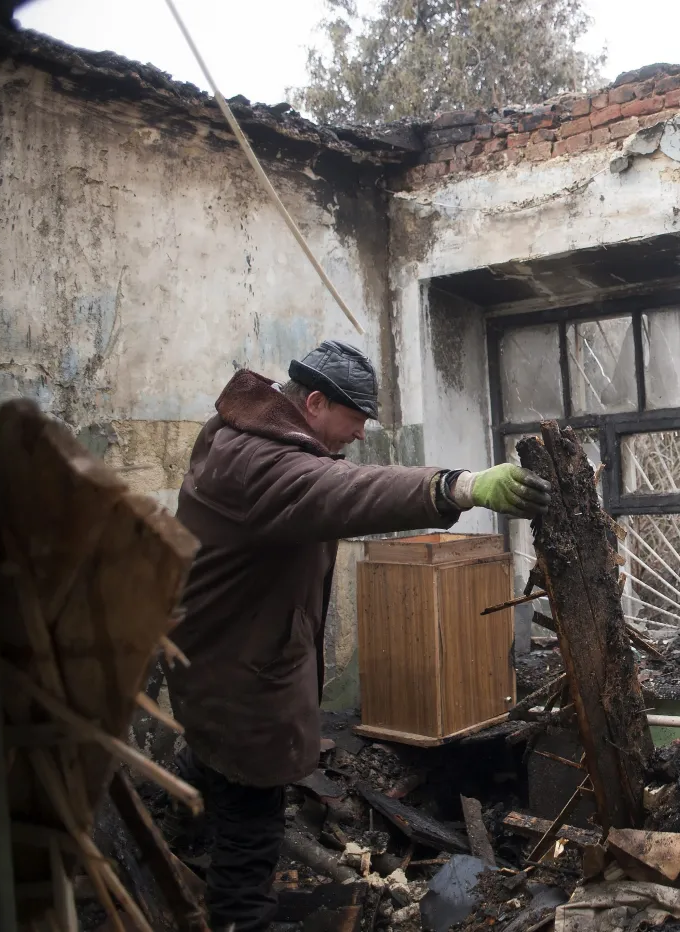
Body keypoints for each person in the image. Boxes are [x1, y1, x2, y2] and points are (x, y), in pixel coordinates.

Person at [166, 340, 550, 931]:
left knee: (214, 758)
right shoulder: (259, 464)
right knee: (251, 828)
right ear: (315, 402)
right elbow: (346, 491)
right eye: (356, 421)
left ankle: (180, 808)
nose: (360, 436)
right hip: (238, 675)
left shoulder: (250, 440)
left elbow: (331, 480)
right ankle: (240, 920)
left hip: (220, 657)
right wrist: (460, 487)